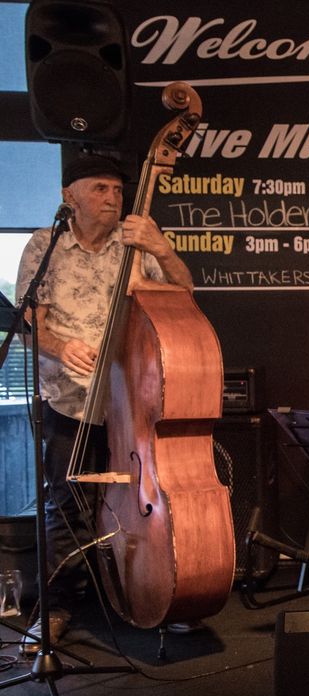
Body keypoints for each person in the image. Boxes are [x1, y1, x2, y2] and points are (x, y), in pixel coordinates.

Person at [14, 154, 195, 655]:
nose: (113, 198)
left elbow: (185, 293)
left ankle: (159, 593)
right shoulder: (44, 245)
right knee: (65, 505)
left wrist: (163, 247)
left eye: (117, 190)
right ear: (68, 196)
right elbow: (32, 321)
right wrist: (58, 345)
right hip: (66, 398)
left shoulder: (136, 246)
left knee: (147, 502)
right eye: (99, 189)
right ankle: (52, 610)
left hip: (130, 401)